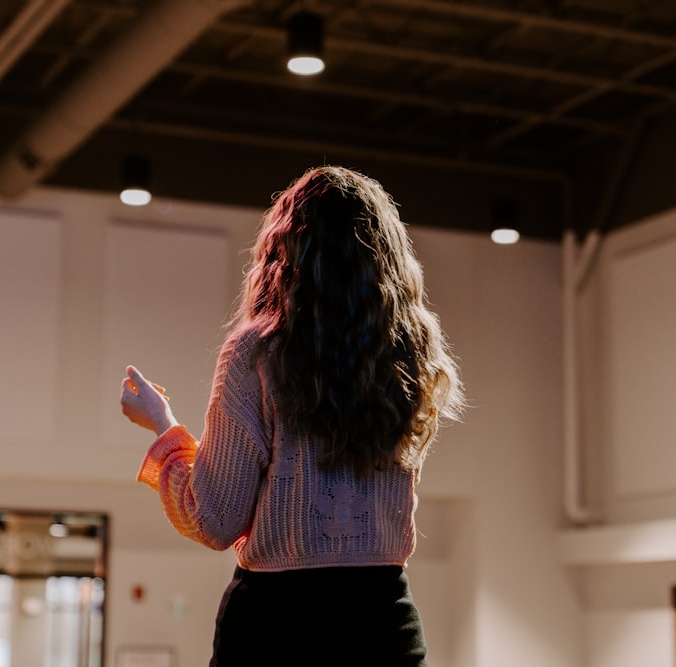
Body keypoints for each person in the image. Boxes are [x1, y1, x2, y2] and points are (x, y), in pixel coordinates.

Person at [120, 165, 465, 667]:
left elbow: (215, 519)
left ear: (284, 251)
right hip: (383, 624)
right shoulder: (412, 357)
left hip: (277, 628)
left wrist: (163, 425)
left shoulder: (257, 352)